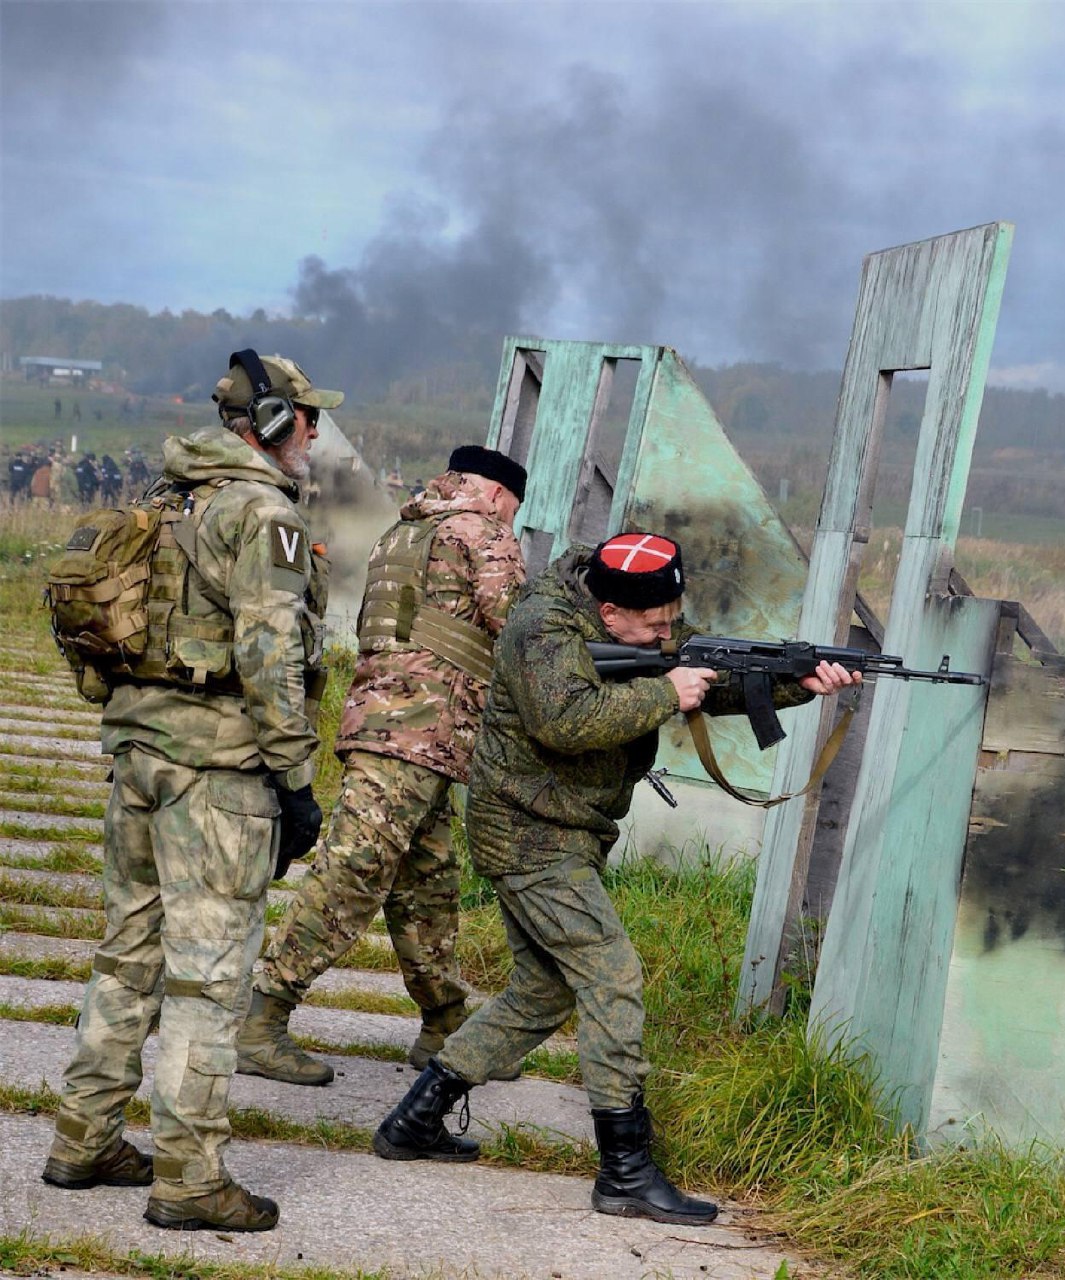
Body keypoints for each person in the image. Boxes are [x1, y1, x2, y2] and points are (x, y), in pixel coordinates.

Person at [372, 532, 861, 1225]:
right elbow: (564, 721)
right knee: (612, 978)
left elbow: (696, 671)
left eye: (671, 619)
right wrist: (665, 693)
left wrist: (797, 682)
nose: (667, 632)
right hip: (527, 832)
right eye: (654, 625)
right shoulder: (540, 627)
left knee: (541, 992)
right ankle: (625, 1172)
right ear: (608, 615)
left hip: (565, 829)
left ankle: (414, 1121)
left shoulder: (636, 613)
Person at [41, 351, 343, 1233]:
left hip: (137, 753)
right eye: (309, 419)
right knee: (209, 984)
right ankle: (188, 1179)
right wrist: (295, 777)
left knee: (125, 957)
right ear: (277, 422)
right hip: (216, 775)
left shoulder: (173, 494)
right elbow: (270, 652)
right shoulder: (260, 511)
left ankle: (83, 1137)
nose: (317, 434)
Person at [236, 444, 527, 1086]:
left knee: (427, 880)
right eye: (512, 507)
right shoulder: (484, 532)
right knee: (352, 872)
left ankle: (446, 1024)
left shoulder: (405, 529)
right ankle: (262, 1018)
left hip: (388, 726)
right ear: (502, 495)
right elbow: (521, 632)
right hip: (421, 733)